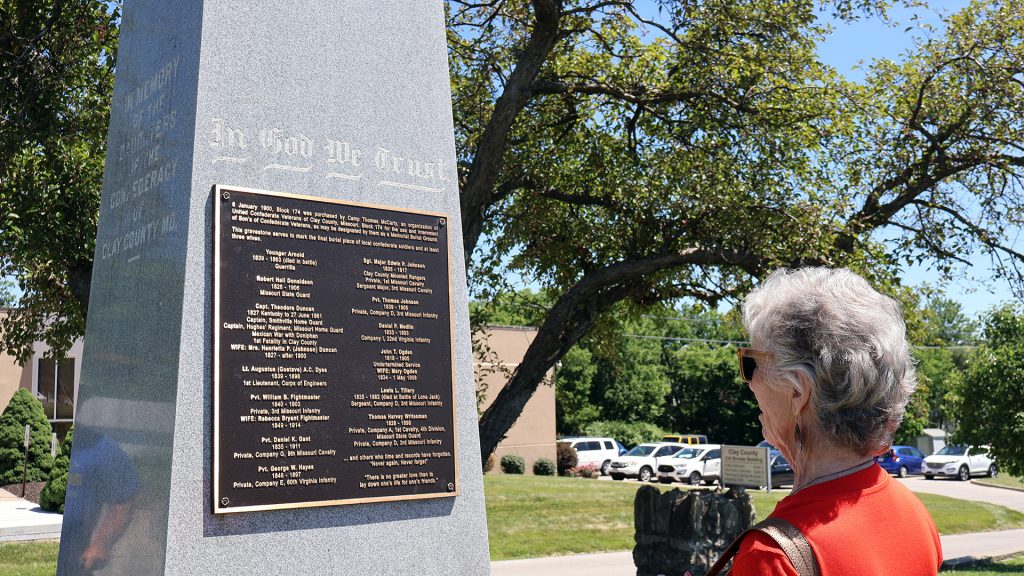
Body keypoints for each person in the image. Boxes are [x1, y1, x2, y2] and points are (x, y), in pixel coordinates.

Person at [731, 267, 942, 575]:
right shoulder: (914, 513)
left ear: (797, 391)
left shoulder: (770, 558)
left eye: (750, 363)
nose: (749, 382)